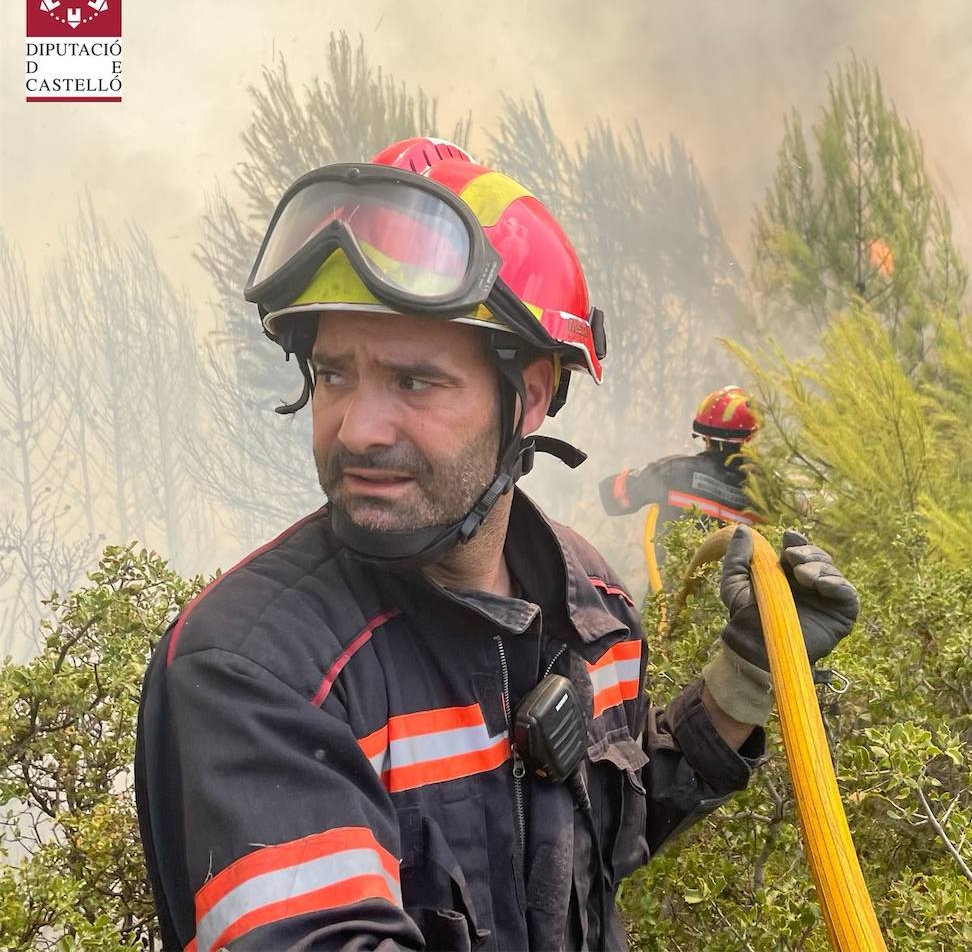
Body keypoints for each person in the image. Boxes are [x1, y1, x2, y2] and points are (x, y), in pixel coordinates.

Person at [134, 137, 859, 951]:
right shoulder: (259, 672)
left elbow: (609, 824)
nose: (359, 428)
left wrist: (748, 675)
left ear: (531, 395)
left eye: (414, 380)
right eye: (335, 374)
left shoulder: (593, 607)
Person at [599, 386, 762, 570]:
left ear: (705, 436)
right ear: (751, 437)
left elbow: (612, 497)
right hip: (738, 597)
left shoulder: (674, 472)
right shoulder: (770, 493)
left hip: (667, 594)